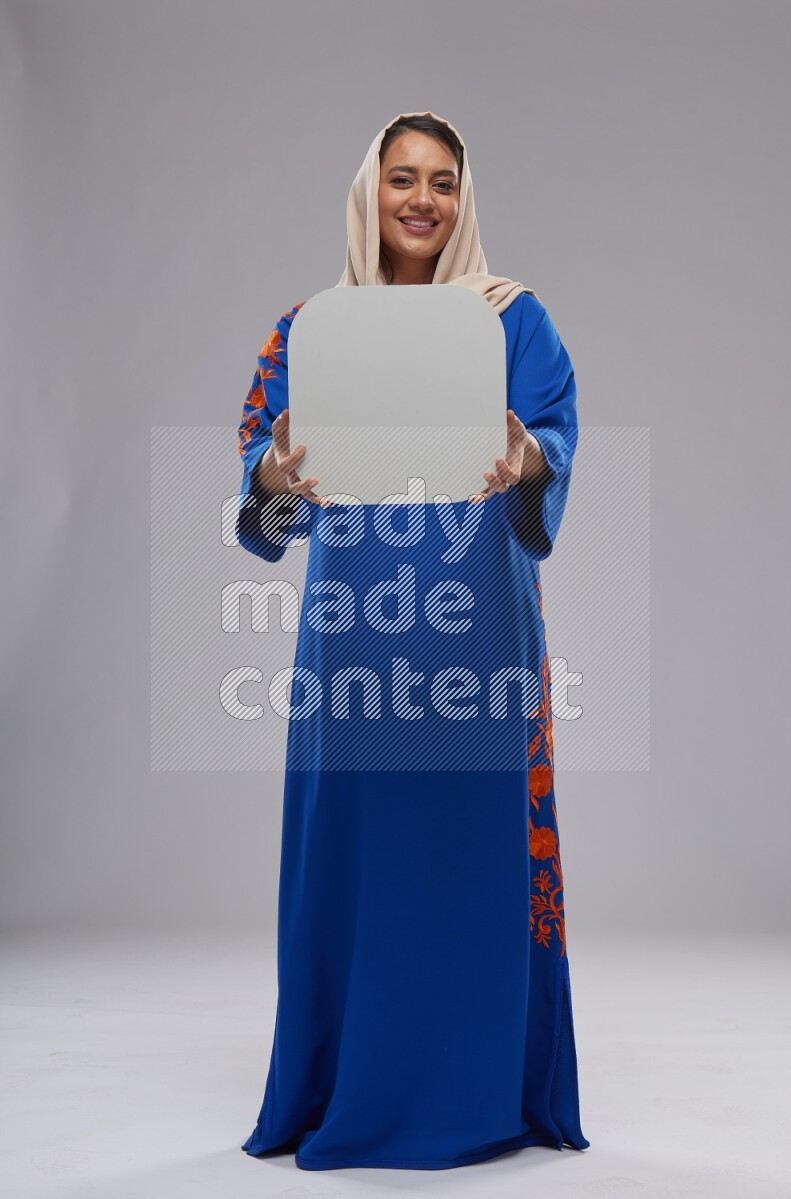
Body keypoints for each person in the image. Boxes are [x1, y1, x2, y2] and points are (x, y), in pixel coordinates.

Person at [235, 110, 589, 1171]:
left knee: (467, 851)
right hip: (353, 635)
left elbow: (552, 441)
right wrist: (268, 480)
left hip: (477, 630)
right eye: (401, 179)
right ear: (369, 191)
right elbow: (261, 479)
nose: (421, 200)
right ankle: (347, 1079)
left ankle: (481, 1085)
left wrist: (529, 458)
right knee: (357, 856)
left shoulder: (511, 319)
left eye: (440, 180)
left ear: (462, 195)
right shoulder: (311, 327)